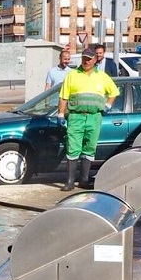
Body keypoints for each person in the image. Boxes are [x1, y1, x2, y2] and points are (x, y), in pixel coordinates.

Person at [57, 45, 120, 191]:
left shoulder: (102, 76)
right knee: (73, 147)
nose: (86, 61)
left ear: (94, 60)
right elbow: (63, 96)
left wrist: (108, 106)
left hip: (94, 117)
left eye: (89, 59)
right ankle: (70, 181)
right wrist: (60, 114)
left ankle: (84, 180)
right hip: (76, 117)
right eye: (84, 59)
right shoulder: (72, 75)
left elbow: (114, 92)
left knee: (89, 147)